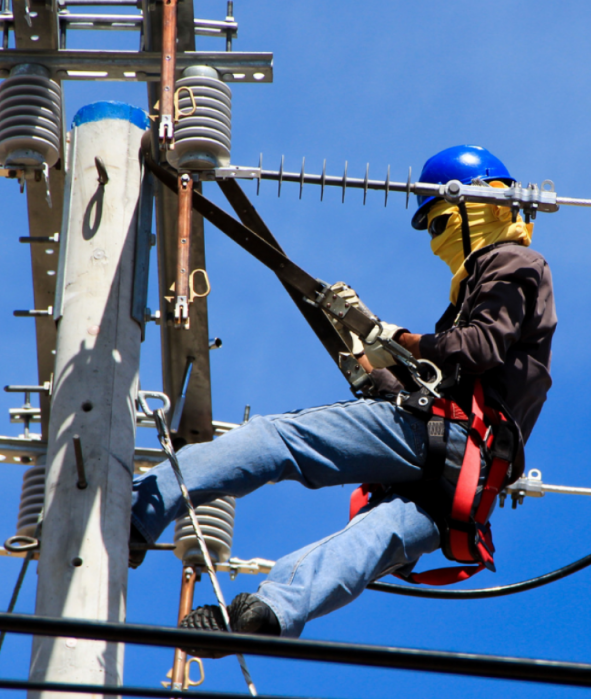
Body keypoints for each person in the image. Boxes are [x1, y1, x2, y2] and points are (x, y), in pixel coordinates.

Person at [129, 145, 557, 648]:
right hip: (468, 479)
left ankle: (135, 510)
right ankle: (267, 613)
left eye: (439, 223)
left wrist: (397, 339)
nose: (436, 242)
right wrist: (377, 365)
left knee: (280, 440)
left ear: (477, 205)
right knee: (371, 540)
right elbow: (462, 378)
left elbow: (477, 347)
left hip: (444, 435)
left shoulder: (512, 260)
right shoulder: (498, 291)